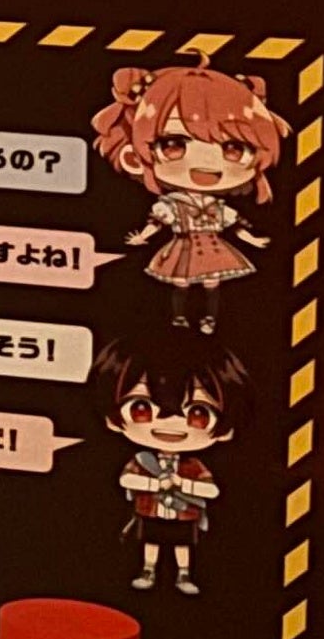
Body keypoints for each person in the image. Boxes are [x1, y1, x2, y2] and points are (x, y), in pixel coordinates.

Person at [92, 63, 284, 333]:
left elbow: (235, 225)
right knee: (180, 284)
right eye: (173, 144)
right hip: (183, 248)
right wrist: (142, 237)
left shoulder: (218, 206)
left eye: (234, 148)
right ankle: (179, 318)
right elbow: (157, 223)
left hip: (214, 249)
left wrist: (253, 240)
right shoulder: (171, 205)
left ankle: (210, 319)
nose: (207, 164)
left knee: (211, 285)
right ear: (134, 156)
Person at [97, 329, 239, 599]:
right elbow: (126, 479)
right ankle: (148, 570)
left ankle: (183, 574)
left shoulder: (192, 465)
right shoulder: (143, 460)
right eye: (141, 408)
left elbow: (212, 490)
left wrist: (181, 483)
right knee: (150, 541)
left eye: (198, 412)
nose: (171, 422)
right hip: (151, 512)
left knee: (182, 545)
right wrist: (155, 484)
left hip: (183, 515)